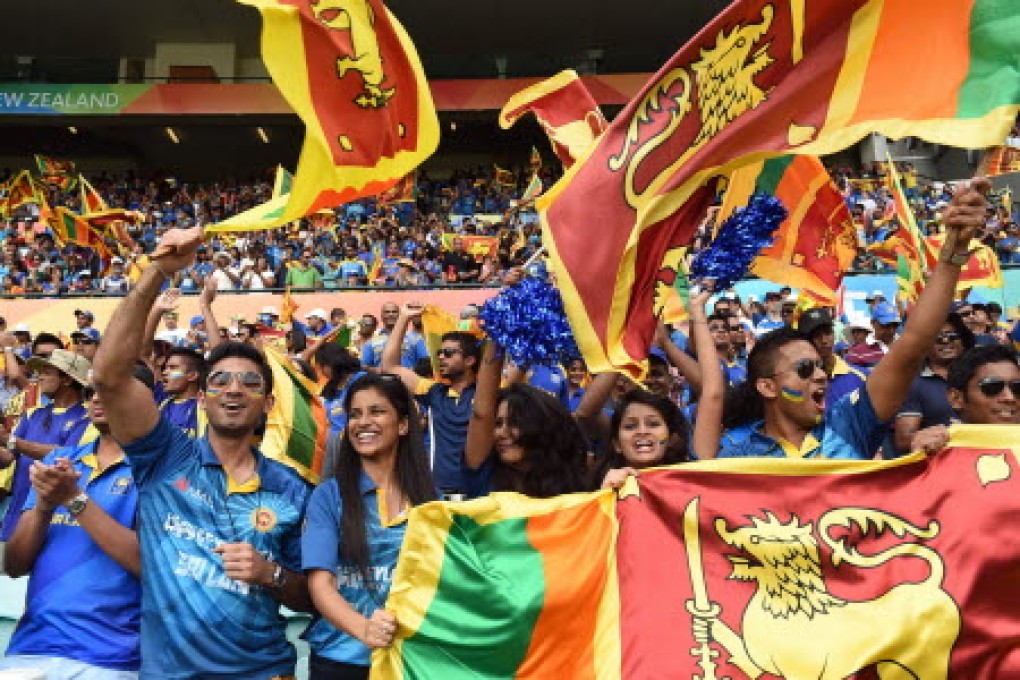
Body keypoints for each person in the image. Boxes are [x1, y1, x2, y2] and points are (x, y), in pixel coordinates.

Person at [92, 226, 313, 679]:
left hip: (265, 670)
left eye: (251, 384)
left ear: (268, 405)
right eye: (221, 381)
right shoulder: (165, 454)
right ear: (203, 397)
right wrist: (157, 272)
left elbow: (313, 595)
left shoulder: (290, 488)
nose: (234, 391)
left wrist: (270, 573)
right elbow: (110, 377)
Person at [718, 179, 990, 460]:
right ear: (767, 387)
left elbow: (914, 344)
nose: (822, 375)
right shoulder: (736, 453)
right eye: (804, 369)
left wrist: (953, 252)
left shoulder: (848, 424)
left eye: (819, 366)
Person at [0, 372, 151, 679]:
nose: (95, 398)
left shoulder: (157, 472)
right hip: (31, 649)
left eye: (107, 389)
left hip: (110, 658)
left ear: (144, 399)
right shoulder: (61, 461)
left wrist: (73, 499)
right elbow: (14, 565)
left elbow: (150, 566)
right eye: (90, 392)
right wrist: (44, 505)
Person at [301, 374, 435, 680]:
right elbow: (320, 585)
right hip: (339, 660)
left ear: (403, 424)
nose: (363, 422)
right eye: (355, 414)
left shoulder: (432, 502)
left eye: (376, 412)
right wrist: (364, 629)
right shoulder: (328, 496)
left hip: (410, 661)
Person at [381, 302, 483, 499]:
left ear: (470, 361)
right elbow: (390, 366)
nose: (441, 358)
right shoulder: (434, 391)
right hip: (439, 492)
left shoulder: (487, 394)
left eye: (449, 353)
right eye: (439, 353)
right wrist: (403, 318)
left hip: (481, 494)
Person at [463, 342, 588, 497]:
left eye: (514, 422)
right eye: (498, 423)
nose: (501, 433)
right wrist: (497, 331)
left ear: (539, 426)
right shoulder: (484, 476)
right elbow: (481, 413)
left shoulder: (567, 485)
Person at [0, 349, 92, 542]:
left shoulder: (86, 418)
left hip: (55, 520)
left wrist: (13, 440)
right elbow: (8, 457)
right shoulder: (32, 413)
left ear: (67, 380)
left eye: (47, 372)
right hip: (16, 515)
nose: (39, 377)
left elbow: (65, 456)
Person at [890, 313, 974, 457]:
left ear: (963, 341)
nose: (946, 341)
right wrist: (953, 434)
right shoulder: (913, 384)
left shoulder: (980, 376)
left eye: (952, 336)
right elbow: (904, 440)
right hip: (939, 465)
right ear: (925, 346)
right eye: (938, 338)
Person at [911, 345, 1020, 453]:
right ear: (956, 398)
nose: (1010, 397)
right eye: (992, 387)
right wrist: (920, 461)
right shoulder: (935, 450)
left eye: (1017, 388)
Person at [798, 307, 867, 405]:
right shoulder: (794, 381)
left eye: (827, 333)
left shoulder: (861, 377)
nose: (824, 340)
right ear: (804, 341)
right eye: (816, 335)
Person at [360, 302, 427, 370]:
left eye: (394, 312)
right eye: (387, 312)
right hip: (381, 379)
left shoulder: (416, 339)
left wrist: (410, 372)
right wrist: (378, 371)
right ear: (381, 316)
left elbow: (426, 362)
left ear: (400, 315)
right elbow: (364, 367)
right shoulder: (370, 343)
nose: (391, 314)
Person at [159, 347, 206, 437]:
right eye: (166, 368)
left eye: (173, 368)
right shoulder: (164, 404)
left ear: (192, 376)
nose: (164, 372)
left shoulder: (205, 405)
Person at [845, 301, 900, 368]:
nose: (891, 330)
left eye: (895, 325)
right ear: (873, 323)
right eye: (886, 325)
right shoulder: (857, 353)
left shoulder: (906, 347)